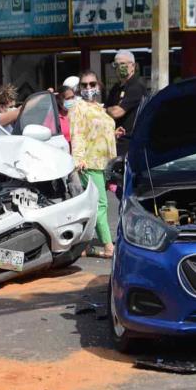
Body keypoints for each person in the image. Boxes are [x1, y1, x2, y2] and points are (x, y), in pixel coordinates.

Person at [70, 70, 117, 258]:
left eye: (92, 84)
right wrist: (78, 159)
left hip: (103, 162)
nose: (88, 88)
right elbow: (78, 134)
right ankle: (108, 246)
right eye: (84, 85)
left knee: (92, 206)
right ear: (79, 88)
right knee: (101, 204)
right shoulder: (78, 107)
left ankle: (85, 245)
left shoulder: (98, 107)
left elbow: (96, 132)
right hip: (89, 162)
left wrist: (114, 133)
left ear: (98, 86)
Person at [105, 49, 147, 155]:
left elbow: (116, 113)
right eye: (116, 65)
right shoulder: (116, 88)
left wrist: (106, 110)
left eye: (123, 64)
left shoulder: (136, 86)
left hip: (129, 143)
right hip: (115, 139)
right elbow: (107, 111)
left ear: (132, 66)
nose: (119, 68)